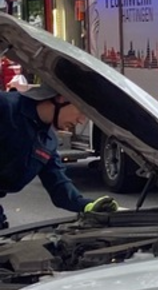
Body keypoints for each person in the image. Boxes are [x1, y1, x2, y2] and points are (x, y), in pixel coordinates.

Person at [0, 84, 117, 230]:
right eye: (81, 111)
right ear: (62, 98)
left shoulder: (47, 142)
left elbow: (58, 185)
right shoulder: (6, 107)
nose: (81, 120)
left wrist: (87, 206)